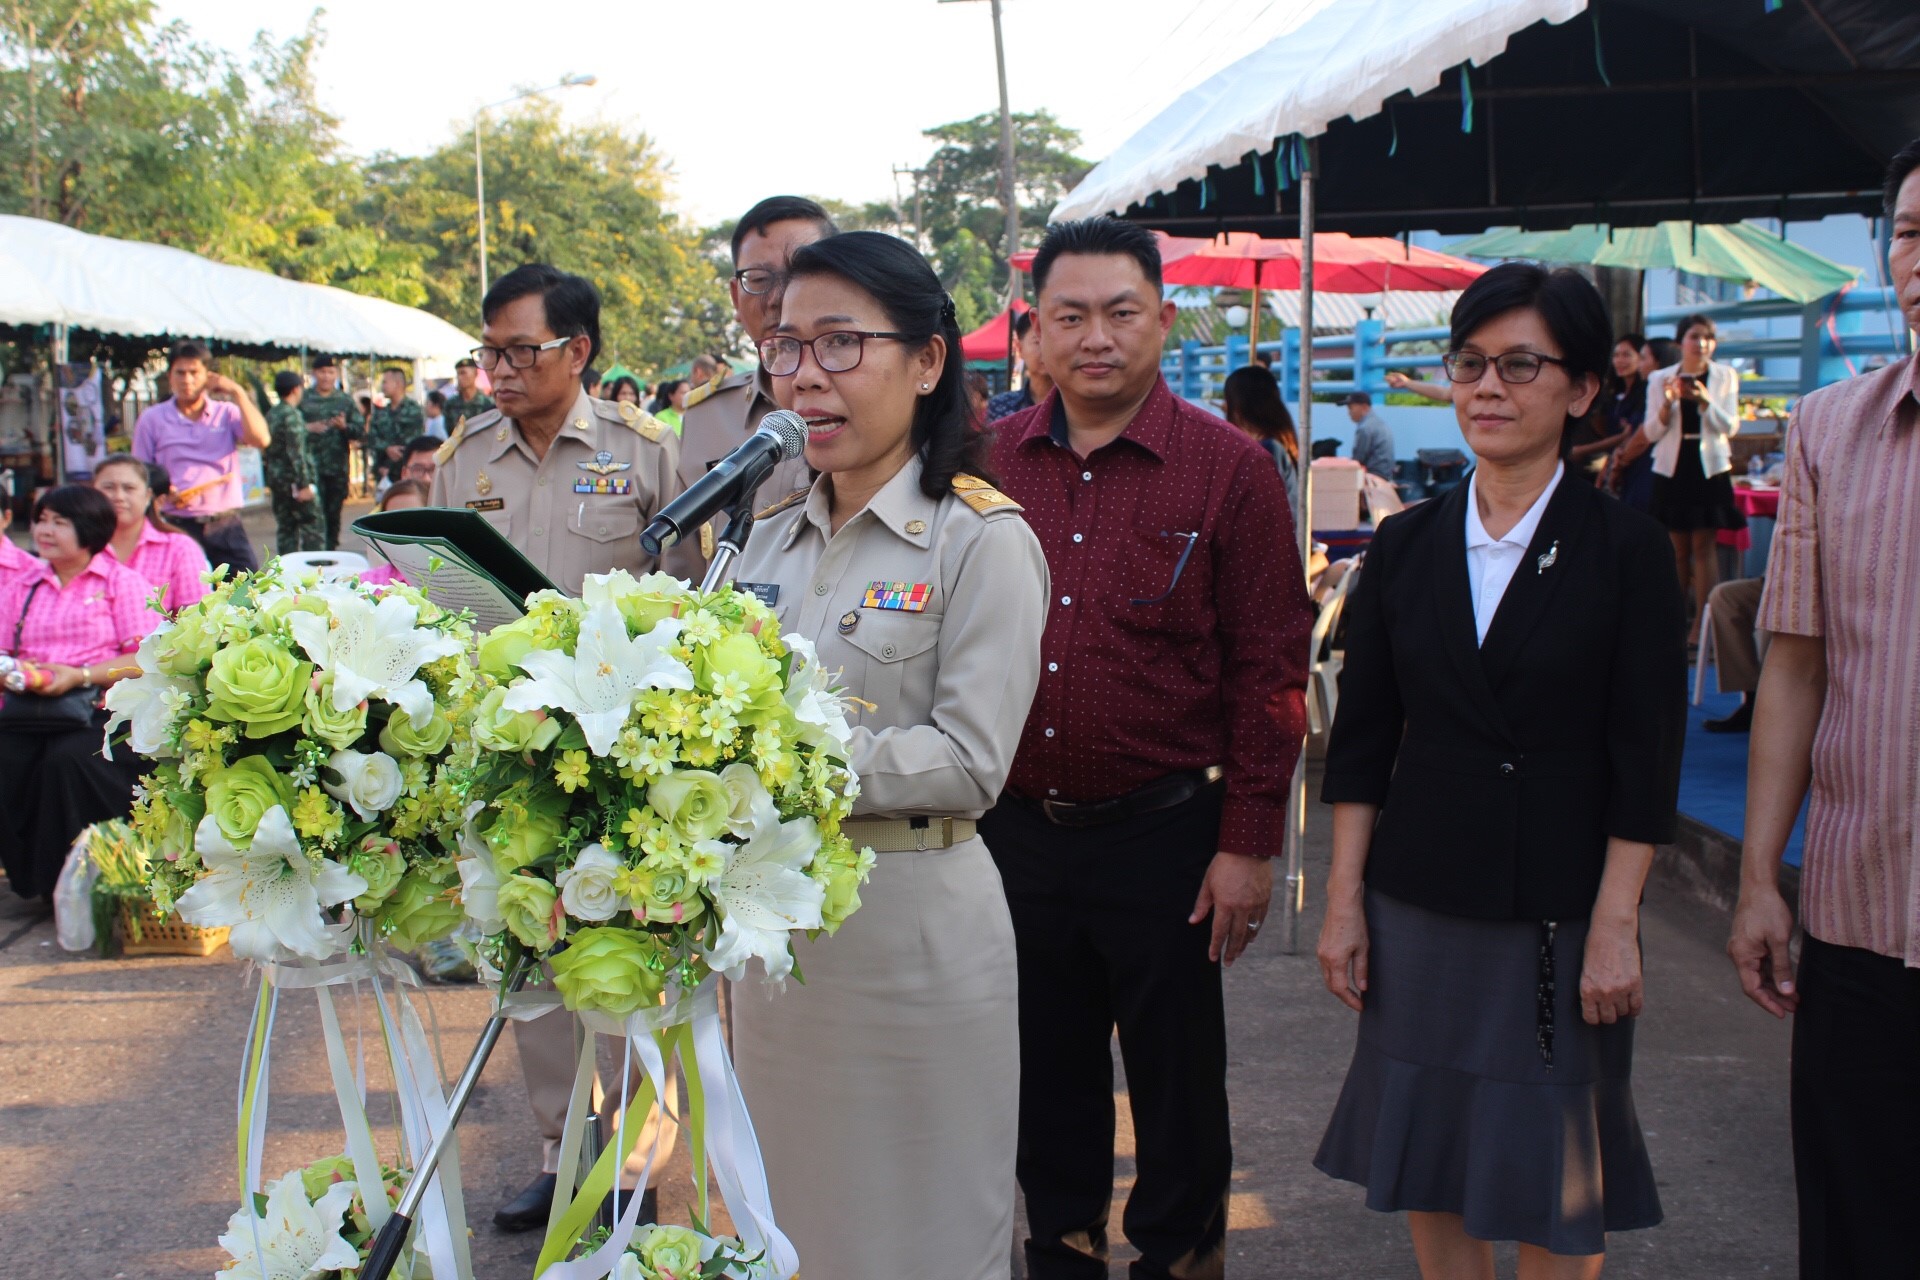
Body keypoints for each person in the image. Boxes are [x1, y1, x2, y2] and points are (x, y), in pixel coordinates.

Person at [1315, 263, 1685, 1278]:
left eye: (1520, 364)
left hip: (1560, 908)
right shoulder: (1406, 544)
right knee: (1430, 1144)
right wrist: (1344, 901)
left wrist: (1618, 923)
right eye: (1470, 363)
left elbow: (1644, 755)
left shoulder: (1626, 550)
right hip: (1421, 891)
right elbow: (1364, 741)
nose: (1488, 386)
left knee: (1553, 1166)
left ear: (1577, 389)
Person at [982, 218, 1312, 1280]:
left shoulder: (1230, 471)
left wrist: (1249, 842)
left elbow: (1272, 666)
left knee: (1177, 1077)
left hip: (1167, 833)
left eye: (1121, 312)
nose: (1096, 337)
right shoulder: (987, 462)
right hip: (1016, 832)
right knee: (1046, 1067)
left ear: (1164, 320)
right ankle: (1064, 1245)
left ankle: (1182, 1254)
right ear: (1033, 331)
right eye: (1068, 315)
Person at [731, 229, 1048, 1280]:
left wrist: (778, 763)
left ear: (926, 361)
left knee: (925, 1234)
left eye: (840, 344)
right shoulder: (762, 539)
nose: (807, 374)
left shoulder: (980, 539)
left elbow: (970, 755)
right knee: (791, 1229)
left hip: (917, 943)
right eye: (787, 347)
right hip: (781, 955)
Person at [428, 262, 683, 1230]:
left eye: (517, 350)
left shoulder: (644, 452)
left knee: (623, 951)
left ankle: (636, 1162)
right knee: (528, 952)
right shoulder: (468, 457)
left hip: (615, 752)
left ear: (578, 351)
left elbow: (694, 594)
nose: (495, 369)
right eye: (486, 350)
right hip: (514, 751)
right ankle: (560, 1147)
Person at [1727, 138, 1920, 1280]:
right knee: (1860, 1232)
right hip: (1860, 917)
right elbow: (1793, 662)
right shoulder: (1831, 430)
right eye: (1909, 231)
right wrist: (1760, 876)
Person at [0, 486, 161, 903]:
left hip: (99, 709)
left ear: (88, 530)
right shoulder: (23, 584)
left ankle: (83, 885)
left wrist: (80, 675)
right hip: (30, 706)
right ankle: (31, 881)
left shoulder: (120, 583)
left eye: (59, 522)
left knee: (67, 760)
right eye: (41, 520)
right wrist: (17, 673)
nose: (44, 530)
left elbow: (144, 658)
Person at [669, 195, 836, 578]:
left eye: (799, 275)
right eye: (759, 281)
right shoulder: (705, 416)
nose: (779, 299)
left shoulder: (871, 407)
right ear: (735, 297)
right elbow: (684, 571)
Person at [1642, 314, 1744, 642]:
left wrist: (1705, 402)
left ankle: (1705, 623)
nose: (1701, 344)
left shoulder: (1725, 376)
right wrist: (1668, 406)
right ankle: (1674, 621)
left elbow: (1730, 427)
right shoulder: (1660, 378)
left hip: (1709, 466)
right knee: (1676, 548)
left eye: (1707, 337)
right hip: (1673, 465)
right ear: (1680, 342)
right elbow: (1652, 432)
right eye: (1694, 336)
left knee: (1705, 544)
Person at [129, 341, 271, 574]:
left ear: (208, 375)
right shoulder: (152, 418)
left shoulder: (226, 412)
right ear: (170, 376)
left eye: (194, 372)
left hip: (225, 524)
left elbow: (261, 439)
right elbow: (140, 470)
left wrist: (238, 392)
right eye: (180, 373)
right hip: (175, 524)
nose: (187, 380)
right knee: (184, 600)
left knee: (245, 593)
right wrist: (163, 488)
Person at [93, 455, 211, 611]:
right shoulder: (78, 548)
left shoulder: (179, 549)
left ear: (148, 496)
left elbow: (196, 618)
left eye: (129, 488)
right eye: (108, 487)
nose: (119, 497)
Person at [1222, 363, 1301, 537]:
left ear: (1239, 406)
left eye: (1227, 400)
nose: (1223, 407)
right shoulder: (1274, 445)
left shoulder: (1268, 450)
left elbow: (1261, 515)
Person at [299, 356, 362, 551]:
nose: (326, 376)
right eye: (322, 372)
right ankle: (314, 553)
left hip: (337, 468)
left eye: (330, 372)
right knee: (313, 514)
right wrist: (307, 427)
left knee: (333, 515)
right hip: (311, 468)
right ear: (314, 373)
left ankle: (330, 552)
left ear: (335, 374)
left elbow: (359, 430)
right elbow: (289, 427)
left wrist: (345, 427)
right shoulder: (304, 399)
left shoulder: (344, 400)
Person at [1568, 332, 1647, 484]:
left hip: (1630, 466)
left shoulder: (1644, 393)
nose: (1619, 361)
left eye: (1626, 355)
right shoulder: (1615, 393)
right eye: (1616, 355)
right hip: (1609, 462)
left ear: (1641, 357)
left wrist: (1581, 451)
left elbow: (1627, 436)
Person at [262, 371, 326, 556]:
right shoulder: (292, 415)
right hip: (295, 482)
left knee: (286, 529)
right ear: (296, 389)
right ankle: (314, 572)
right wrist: (304, 484)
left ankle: (285, 573)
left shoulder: (272, 414)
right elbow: (296, 452)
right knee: (313, 527)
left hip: (277, 481)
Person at [1701, 574, 1768, 733]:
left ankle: (1775, 703)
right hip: (1778, 580)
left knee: (1775, 618)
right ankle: (1751, 699)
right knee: (1725, 596)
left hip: (1816, 588)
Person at [358, 480, 431, 588]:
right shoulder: (367, 585)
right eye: (392, 521)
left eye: (412, 520)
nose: (401, 529)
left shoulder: (452, 585)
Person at [987, 308, 1053, 421]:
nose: (1045, 350)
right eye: (1037, 342)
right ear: (1019, 348)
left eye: (1052, 341)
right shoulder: (1001, 407)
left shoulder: (1078, 406)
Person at [366, 367, 425, 486]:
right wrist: (386, 450)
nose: (383, 386)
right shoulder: (380, 413)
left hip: (406, 472)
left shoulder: (413, 410)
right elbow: (371, 438)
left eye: (385, 382)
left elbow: (411, 442)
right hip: (383, 474)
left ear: (397, 383)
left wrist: (390, 465)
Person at [1346, 390, 1396, 480]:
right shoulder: (1378, 422)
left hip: (1374, 475)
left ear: (1364, 407)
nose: (1349, 413)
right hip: (1385, 474)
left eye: (1351, 408)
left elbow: (1358, 460)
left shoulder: (1365, 428)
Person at [442, 356, 495, 433]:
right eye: (458, 374)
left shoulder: (488, 403)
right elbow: (450, 433)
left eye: (463, 373)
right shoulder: (450, 404)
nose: (459, 378)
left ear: (475, 374)